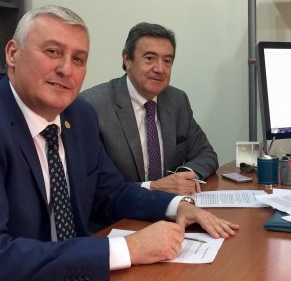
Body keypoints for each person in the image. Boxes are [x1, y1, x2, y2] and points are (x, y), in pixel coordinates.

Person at [0, 5, 238, 281]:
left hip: (61, 278)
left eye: (78, 59)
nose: (66, 69)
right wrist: (130, 249)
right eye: (52, 51)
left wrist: (177, 207)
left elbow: (111, 193)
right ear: (13, 53)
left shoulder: (77, 114)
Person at [80, 22, 218, 196]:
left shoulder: (177, 100)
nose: (160, 69)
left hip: (171, 209)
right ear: (127, 59)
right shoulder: (92, 106)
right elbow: (95, 187)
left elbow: (206, 154)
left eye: (167, 61)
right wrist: (154, 187)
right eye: (149, 58)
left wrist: (181, 177)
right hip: (118, 217)